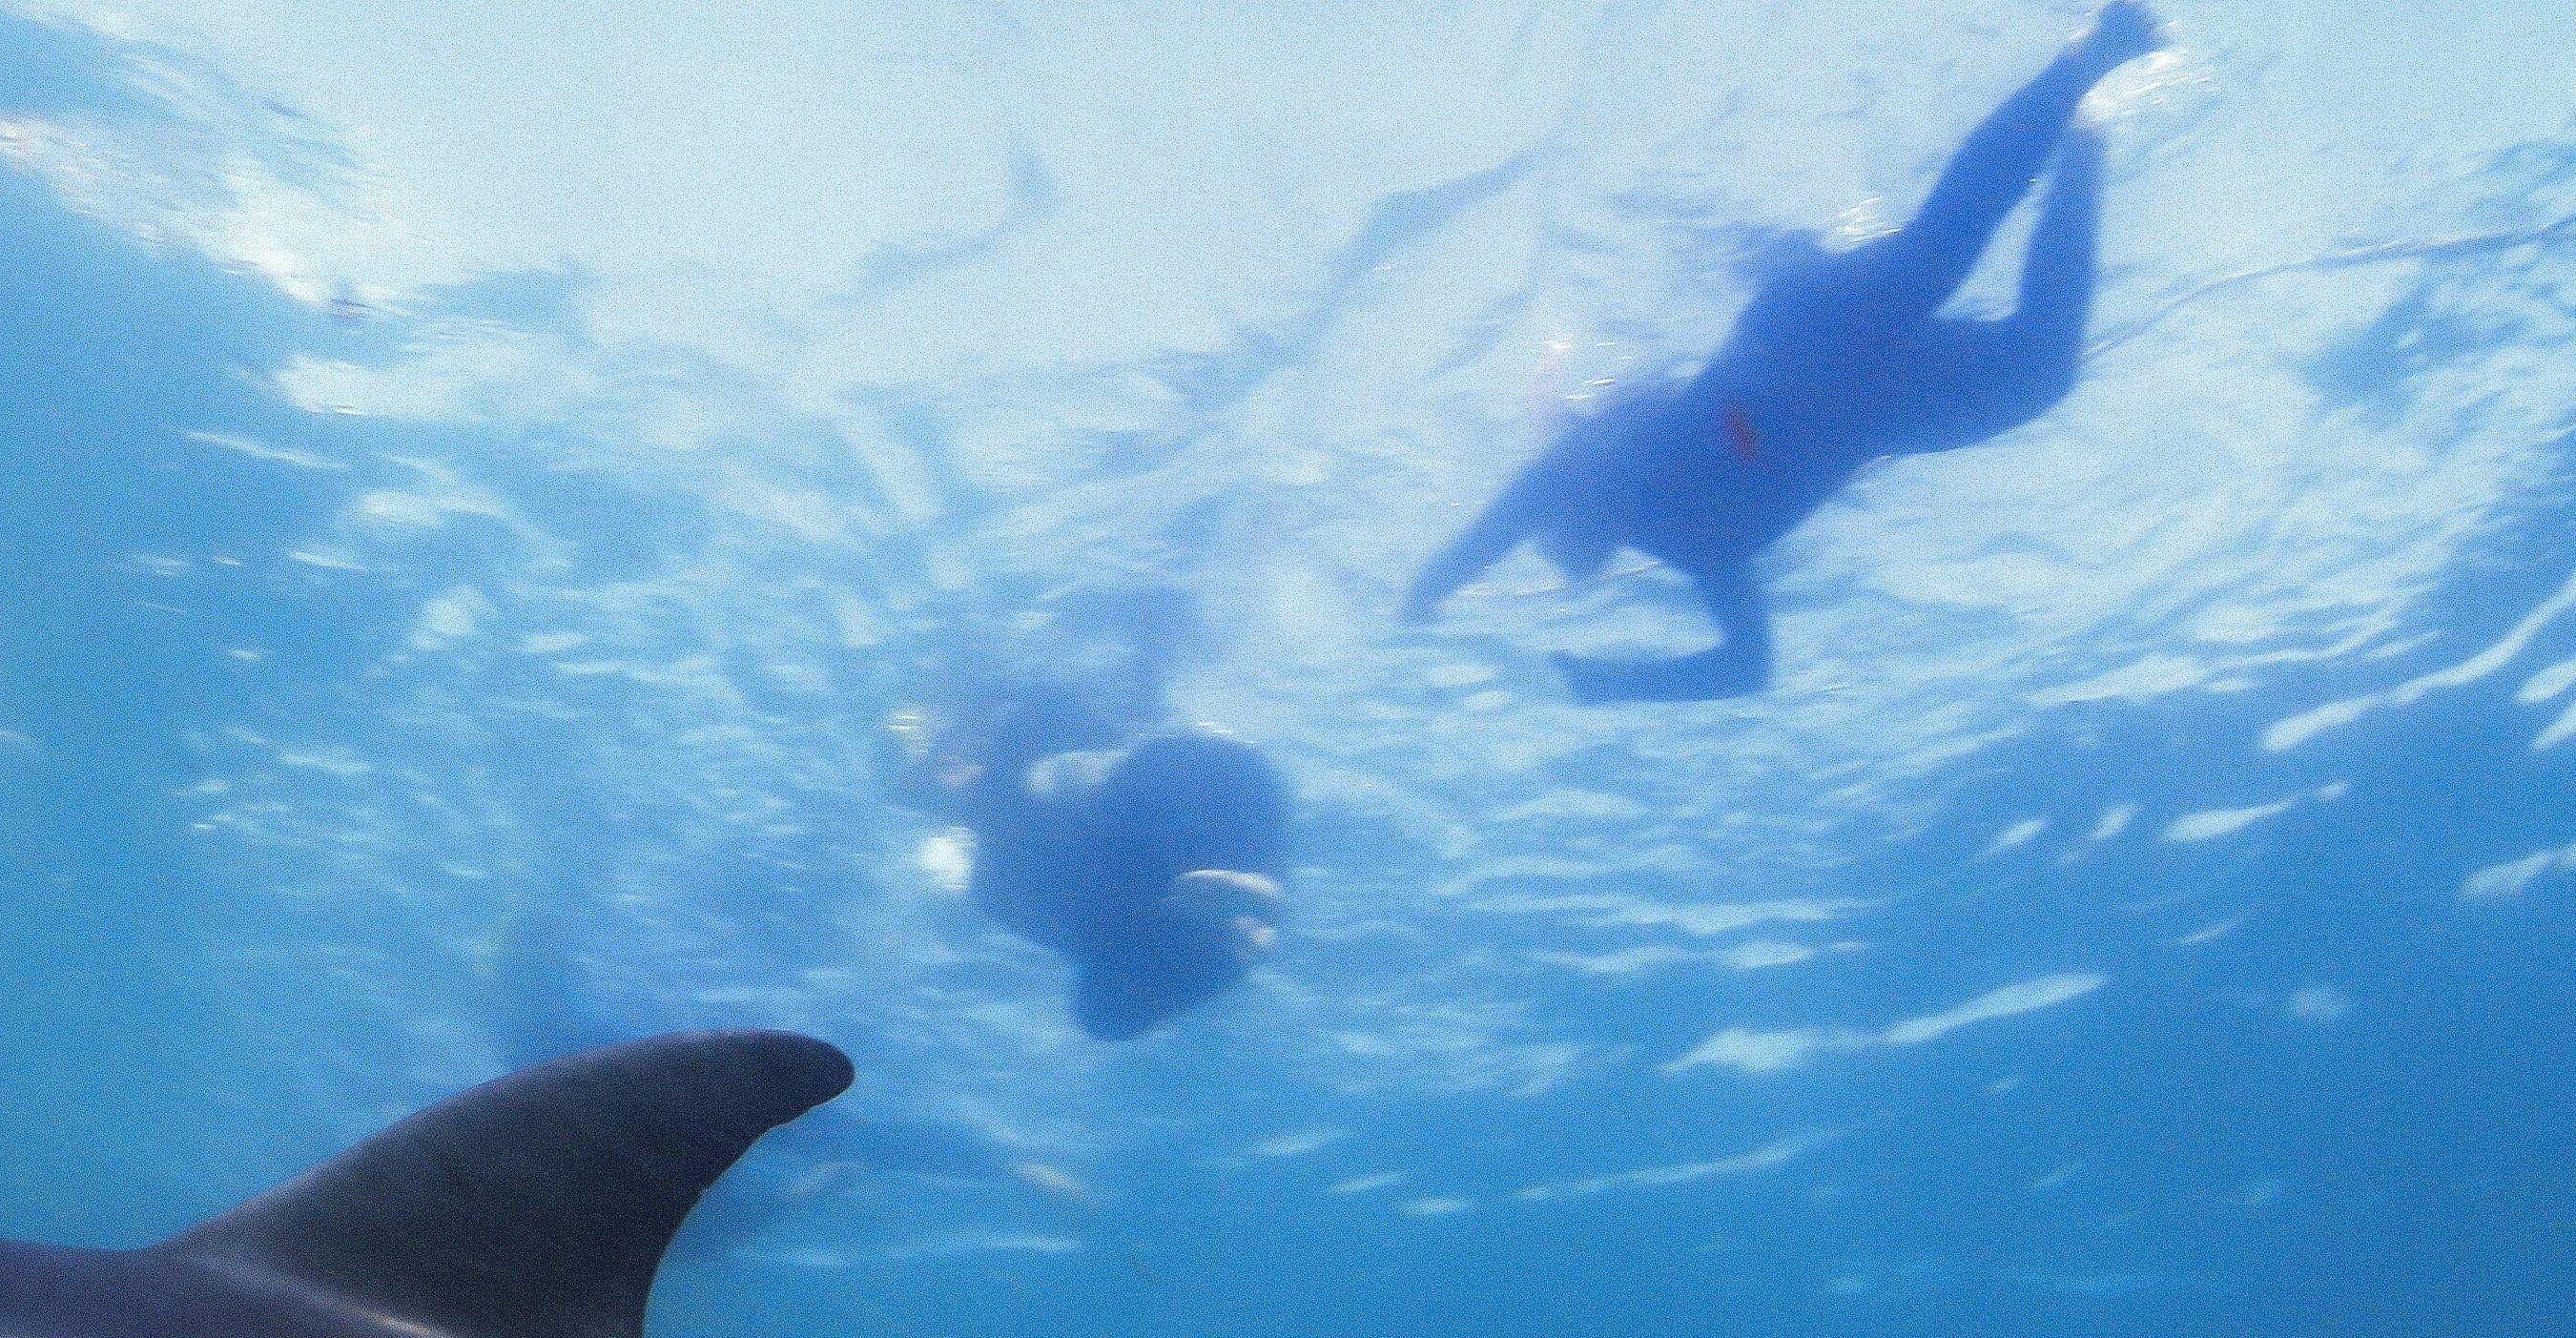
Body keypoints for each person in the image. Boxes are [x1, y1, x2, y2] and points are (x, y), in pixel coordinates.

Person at [1403, 3, 2166, 702]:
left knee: (1942, 251)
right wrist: (1606, 683)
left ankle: (2088, 61)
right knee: (2038, 369)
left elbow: (1501, 522)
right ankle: (2084, 140)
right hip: (1871, 402)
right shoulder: (1695, 545)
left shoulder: (1603, 476)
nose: (1572, 533)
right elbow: (1750, 667)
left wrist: (1433, 592)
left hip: (1803, 339)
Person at [903, 688, 1291, 1041]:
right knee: (1098, 1012)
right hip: (1179, 833)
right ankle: (1243, 914)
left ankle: (1246, 911)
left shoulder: (1018, 887)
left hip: (1186, 808)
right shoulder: (1007, 887)